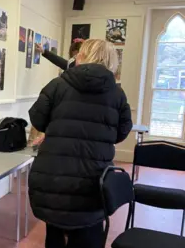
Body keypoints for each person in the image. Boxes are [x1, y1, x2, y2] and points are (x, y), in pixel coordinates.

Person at [27, 39, 133, 248]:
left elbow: (37, 119)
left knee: (55, 231)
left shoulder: (58, 85)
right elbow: (122, 132)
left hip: (54, 177)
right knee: (89, 231)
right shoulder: (117, 94)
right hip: (93, 180)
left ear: (82, 55)